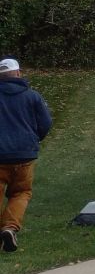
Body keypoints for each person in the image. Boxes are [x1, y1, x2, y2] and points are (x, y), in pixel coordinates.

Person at [0, 57, 52, 253]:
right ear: (18, 73)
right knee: (21, 193)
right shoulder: (32, 96)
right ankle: (9, 228)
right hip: (25, 155)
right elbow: (45, 123)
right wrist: (33, 139)